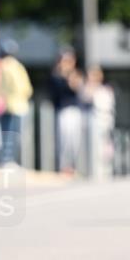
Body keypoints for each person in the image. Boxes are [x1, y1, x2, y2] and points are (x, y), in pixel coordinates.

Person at [0, 39, 33, 166]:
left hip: (4, 105)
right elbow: (25, 88)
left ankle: (3, 160)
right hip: (17, 106)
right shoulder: (16, 66)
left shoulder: (0, 65)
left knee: (5, 133)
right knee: (12, 134)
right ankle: (7, 160)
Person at [49, 48, 83, 176]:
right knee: (64, 140)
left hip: (75, 111)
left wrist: (72, 76)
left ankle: (73, 166)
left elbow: (77, 88)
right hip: (63, 111)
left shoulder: (75, 74)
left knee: (75, 141)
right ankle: (63, 167)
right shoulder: (56, 76)